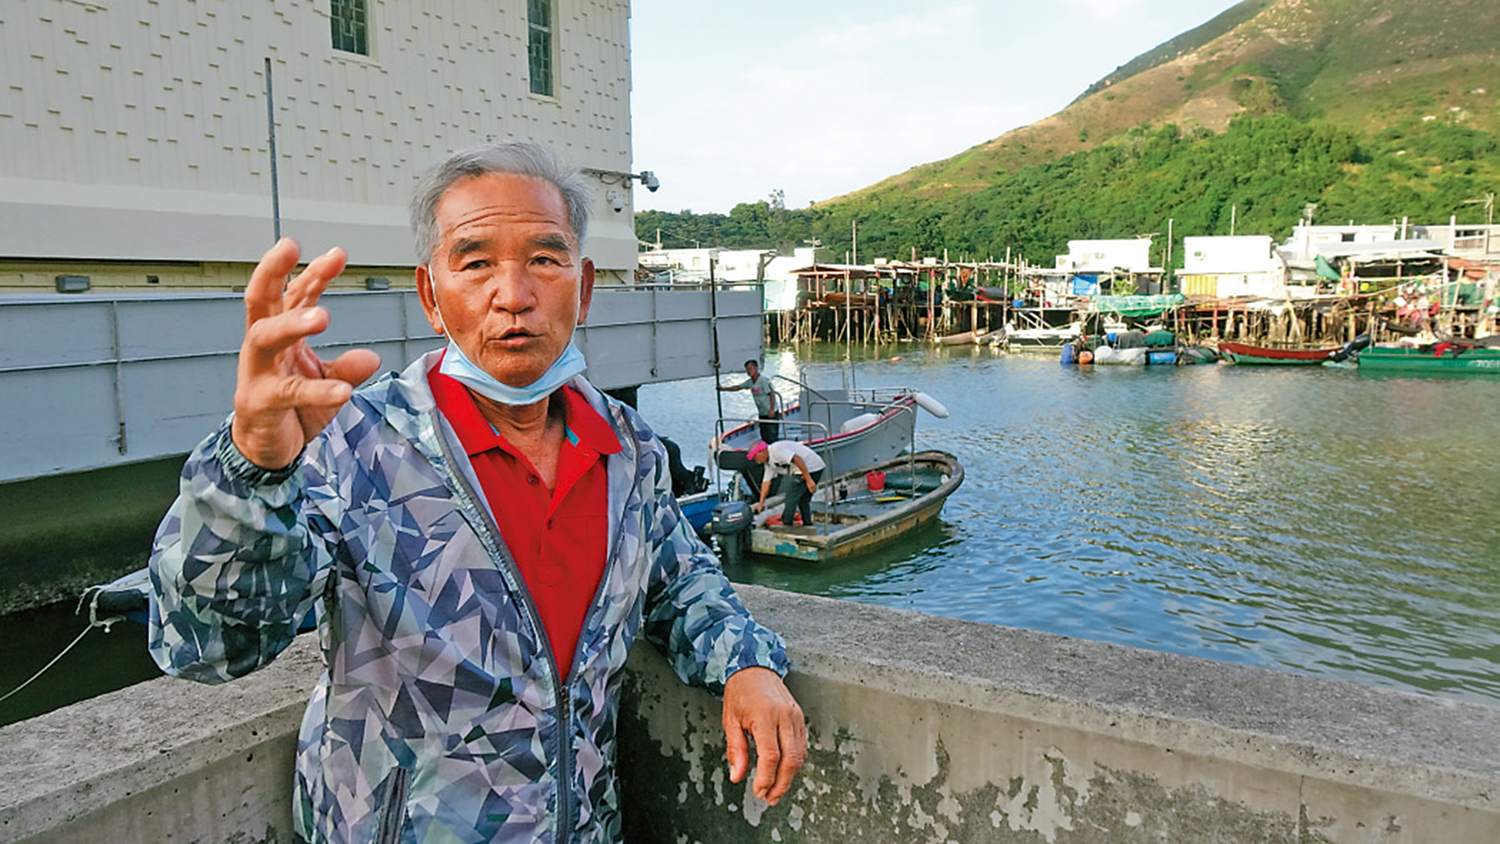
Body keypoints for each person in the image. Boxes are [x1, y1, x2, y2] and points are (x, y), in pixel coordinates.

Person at [148, 141, 805, 844]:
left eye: (544, 260)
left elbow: (678, 580)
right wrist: (252, 467)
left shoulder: (627, 448)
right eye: (475, 263)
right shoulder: (355, 445)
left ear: (583, 289)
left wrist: (746, 664)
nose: (513, 295)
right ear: (431, 296)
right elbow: (207, 646)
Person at [747, 440, 825, 528]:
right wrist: (761, 503)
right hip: (810, 468)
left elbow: (797, 458)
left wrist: (809, 480)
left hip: (810, 466)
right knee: (803, 499)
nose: (757, 461)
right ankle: (807, 524)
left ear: (761, 451)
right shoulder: (769, 463)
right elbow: (766, 483)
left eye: (755, 457)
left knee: (791, 496)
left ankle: (787, 524)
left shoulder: (776, 450)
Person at [718, 359, 780, 444]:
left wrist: (771, 409)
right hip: (762, 413)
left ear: (756, 368)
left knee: (772, 435)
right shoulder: (750, 382)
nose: (749, 371)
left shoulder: (763, 380)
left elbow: (771, 394)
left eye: (751, 369)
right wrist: (723, 389)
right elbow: (738, 387)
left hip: (770, 413)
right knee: (764, 435)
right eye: (747, 370)